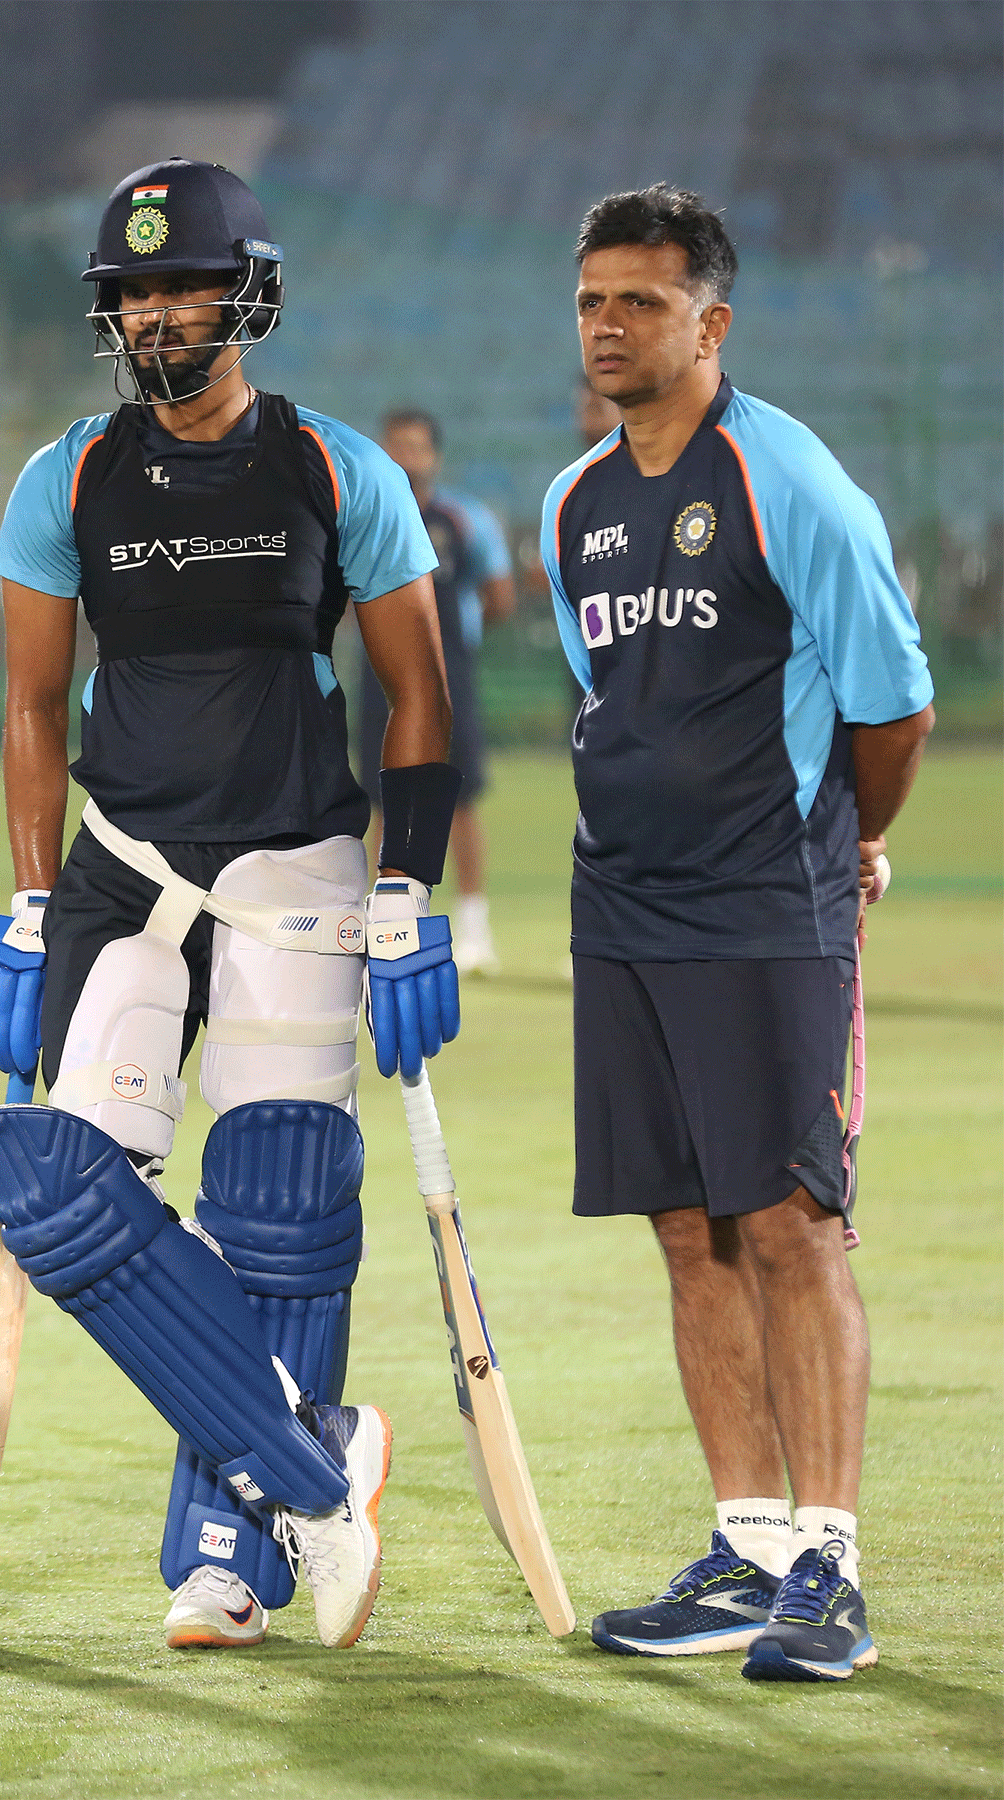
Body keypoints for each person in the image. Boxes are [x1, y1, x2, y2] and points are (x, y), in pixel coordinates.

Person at [0, 159, 464, 1653]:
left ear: (247, 294)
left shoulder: (331, 468)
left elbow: (421, 688)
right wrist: (33, 900)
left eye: (183, 284)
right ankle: (319, 1460)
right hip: (123, 866)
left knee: (282, 1213)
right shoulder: (66, 477)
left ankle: (230, 1552)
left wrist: (407, 889)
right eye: (133, 290)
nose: (157, 310)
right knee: (53, 1192)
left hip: (297, 859)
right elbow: (34, 708)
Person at [541, 184, 934, 1682]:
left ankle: (829, 1570)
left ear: (712, 321)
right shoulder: (574, 502)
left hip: (769, 905)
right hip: (623, 905)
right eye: (590, 300)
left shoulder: (792, 482)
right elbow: (606, 700)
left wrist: (852, 840)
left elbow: (892, 705)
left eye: (639, 301)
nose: (607, 326)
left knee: (788, 1225)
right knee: (687, 1229)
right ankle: (750, 1545)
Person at [357, 411, 516, 974]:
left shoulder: (462, 519)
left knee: (459, 801)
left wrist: (460, 635)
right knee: (379, 801)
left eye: (416, 447)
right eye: (395, 446)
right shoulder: (363, 517)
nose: (405, 457)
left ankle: (474, 929)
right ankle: (384, 923)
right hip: (378, 679)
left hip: (451, 680)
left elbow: (500, 596)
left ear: (435, 456)